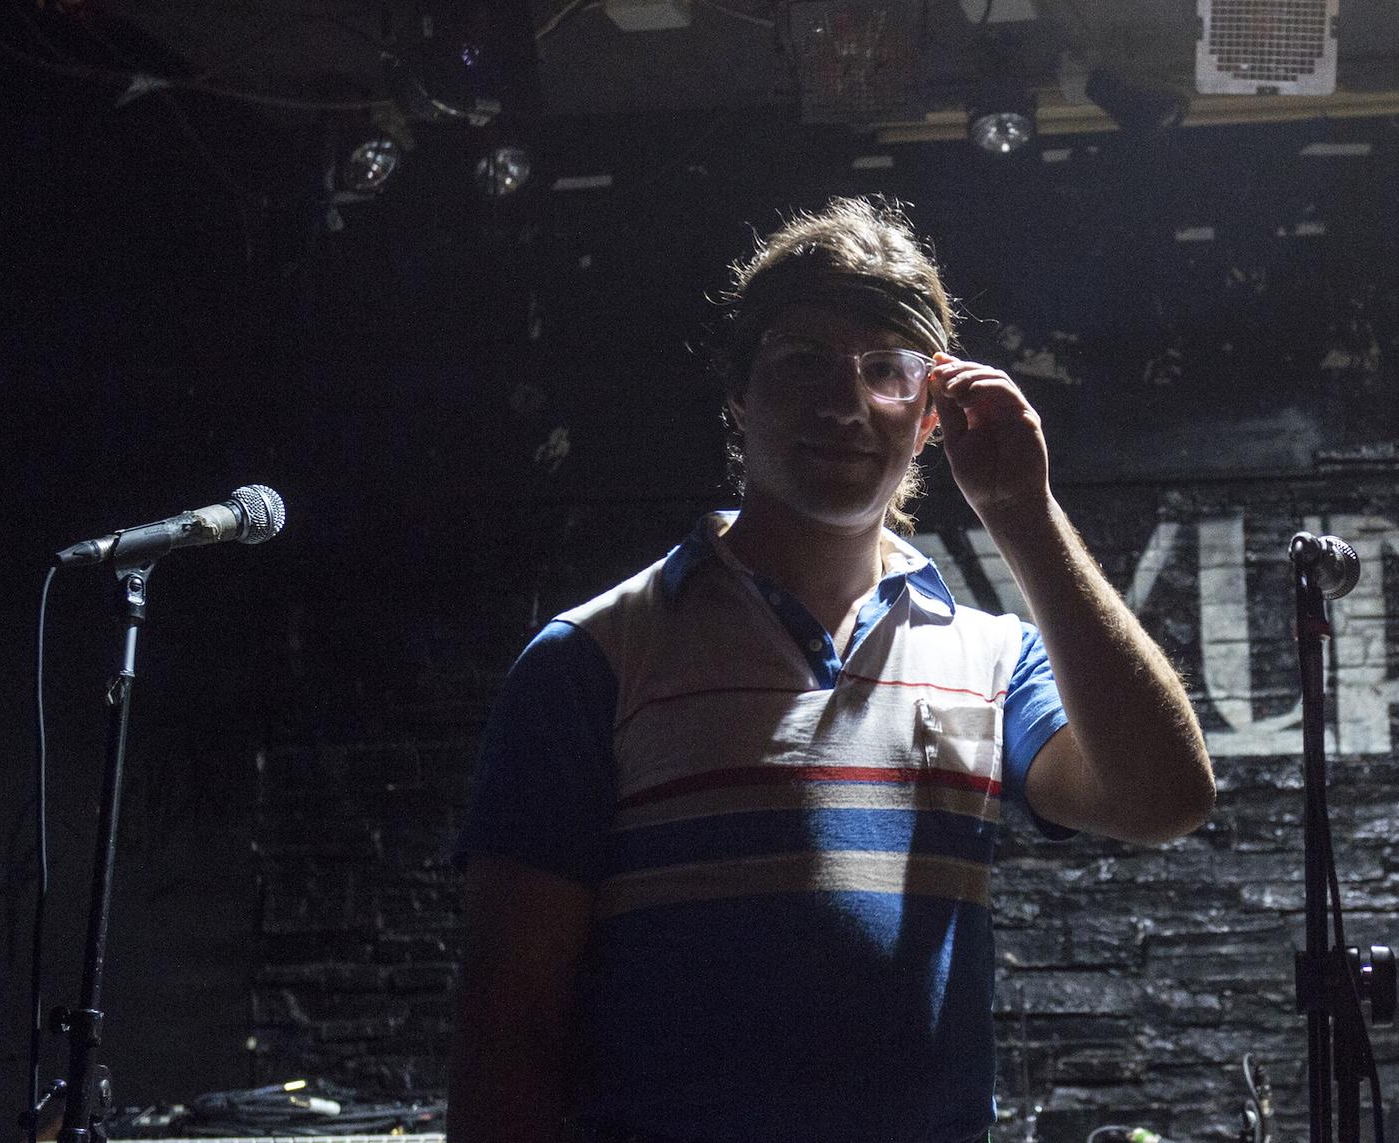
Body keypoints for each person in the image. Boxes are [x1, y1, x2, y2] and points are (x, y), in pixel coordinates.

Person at [448, 196, 1213, 1143]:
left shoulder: (994, 659)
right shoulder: (590, 660)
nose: (845, 405)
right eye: (803, 362)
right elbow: (505, 1041)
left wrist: (1025, 515)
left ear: (932, 414)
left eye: (886, 371)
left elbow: (1164, 798)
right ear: (739, 392)